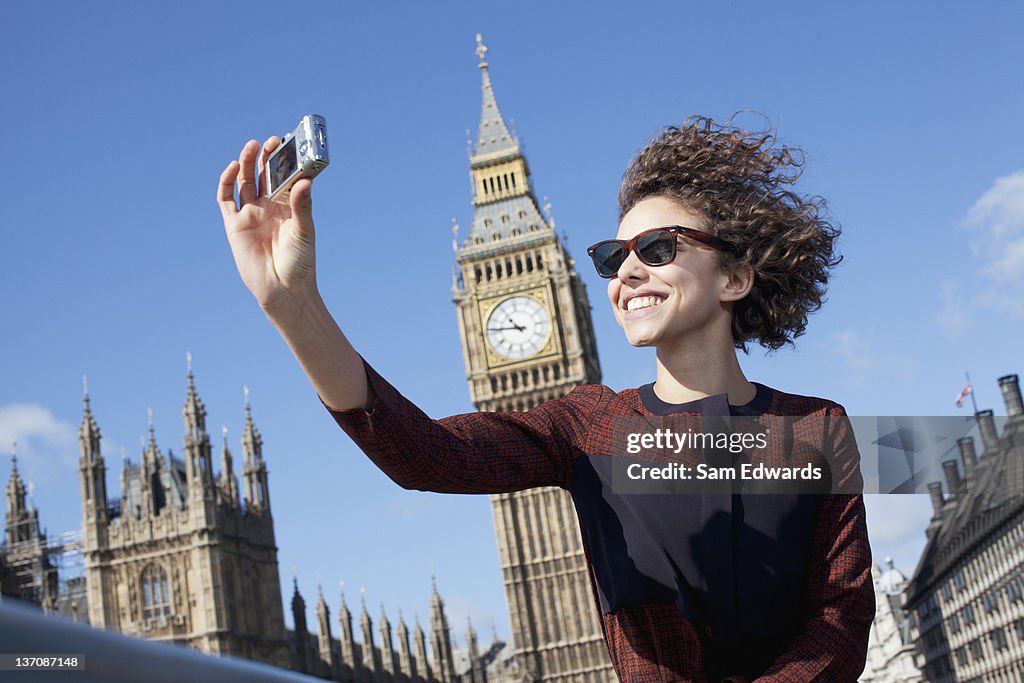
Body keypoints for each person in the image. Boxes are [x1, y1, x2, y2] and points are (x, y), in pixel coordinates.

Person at [217, 116, 873, 682]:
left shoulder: (817, 430)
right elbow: (424, 454)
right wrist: (293, 304)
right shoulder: (591, 425)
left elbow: (841, 620)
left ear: (733, 275)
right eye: (614, 256)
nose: (627, 271)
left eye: (657, 247)